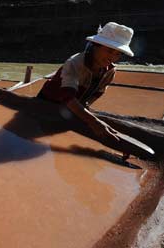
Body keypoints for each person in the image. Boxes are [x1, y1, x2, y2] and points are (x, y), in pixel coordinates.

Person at [37, 22, 135, 154]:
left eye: (118, 54)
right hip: (48, 102)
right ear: (96, 46)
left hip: (73, 107)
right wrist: (93, 121)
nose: (112, 57)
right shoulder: (75, 63)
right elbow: (68, 98)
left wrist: (84, 110)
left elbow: (97, 93)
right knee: (41, 134)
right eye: (109, 51)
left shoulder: (110, 70)